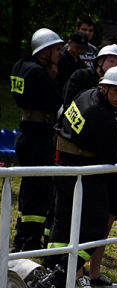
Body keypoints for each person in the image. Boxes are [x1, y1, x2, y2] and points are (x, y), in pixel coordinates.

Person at [47, 65, 117, 288]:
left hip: (64, 166)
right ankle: (64, 270)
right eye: (116, 92)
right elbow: (109, 159)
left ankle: (50, 272)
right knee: (96, 227)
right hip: (85, 173)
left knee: (62, 223)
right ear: (104, 87)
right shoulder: (102, 116)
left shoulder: (85, 95)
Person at [10, 28, 64, 253]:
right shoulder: (39, 73)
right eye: (57, 49)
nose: (60, 54)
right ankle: (32, 238)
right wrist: (53, 77)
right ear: (45, 51)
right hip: (39, 134)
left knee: (29, 184)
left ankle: (22, 235)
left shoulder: (19, 67)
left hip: (25, 131)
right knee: (40, 186)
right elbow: (55, 101)